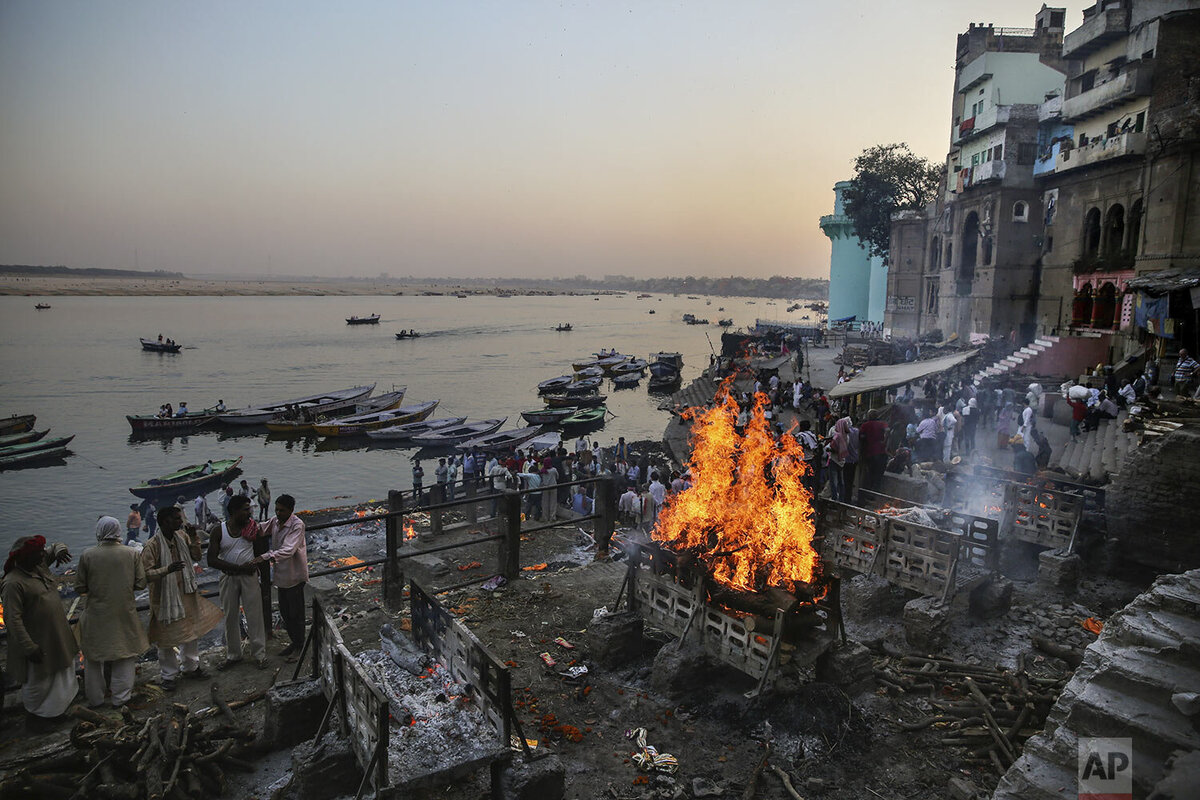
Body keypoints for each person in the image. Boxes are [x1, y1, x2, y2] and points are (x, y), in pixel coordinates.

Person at [143, 505, 223, 690]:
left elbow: (196, 556)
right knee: (166, 637)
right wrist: (167, 570)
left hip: (186, 592)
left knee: (190, 631)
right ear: (164, 522)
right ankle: (169, 676)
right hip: (165, 597)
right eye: (176, 519)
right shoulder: (152, 546)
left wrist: (194, 537)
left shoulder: (182, 537)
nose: (181, 522)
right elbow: (146, 574)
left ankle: (191, 667)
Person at [75, 517, 149, 709]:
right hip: (124, 612)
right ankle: (121, 698)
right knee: (124, 654)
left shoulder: (87, 555)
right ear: (118, 531)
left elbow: (80, 587)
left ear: (99, 531)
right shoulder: (131, 553)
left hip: (96, 614)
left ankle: (96, 699)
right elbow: (141, 583)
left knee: (93, 657)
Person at [2, 535, 78, 721]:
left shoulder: (39, 566)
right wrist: (29, 647)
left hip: (56, 636)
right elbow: (13, 620)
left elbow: (56, 546)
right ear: (26, 557)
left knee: (63, 675)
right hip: (38, 641)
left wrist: (60, 550)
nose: (43, 554)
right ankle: (39, 716)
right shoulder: (13, 583)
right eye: (38, 552)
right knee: (40, 682)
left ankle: (60, 710)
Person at [207, 495, 268, 670]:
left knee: (254, 616)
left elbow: (260, 555)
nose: (249, 513)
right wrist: (239, 568)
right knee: (230, 616)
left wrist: (264, 581)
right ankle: (234, 654)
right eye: (245, 509)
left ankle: (260, 654)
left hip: (249, 577)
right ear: (234, 511)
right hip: (229, 577)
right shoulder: (219, 531)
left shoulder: (252, 529)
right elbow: (211, 560)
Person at [260, 494, 309, 661]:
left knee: (296, 613)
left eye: (282, 510)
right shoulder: (274, 521)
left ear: (291, 510)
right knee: (286, 613)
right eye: (277, 509)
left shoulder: (297, 525)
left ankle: (300, 646)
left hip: (294, 575)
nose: (278, 513)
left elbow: (289, 549)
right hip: (281, 576)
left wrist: (266, 556)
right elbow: (261, 529)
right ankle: (294, 642)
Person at [858, 409, 888, 494]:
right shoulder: (882, 424)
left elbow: (861, 438)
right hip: (881, 452)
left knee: (870, 474)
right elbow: (888, 431)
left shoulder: (865, 425)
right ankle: (876, 491)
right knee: (878, 474)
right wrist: (884, 441)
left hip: (870, 453)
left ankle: (870, 492)